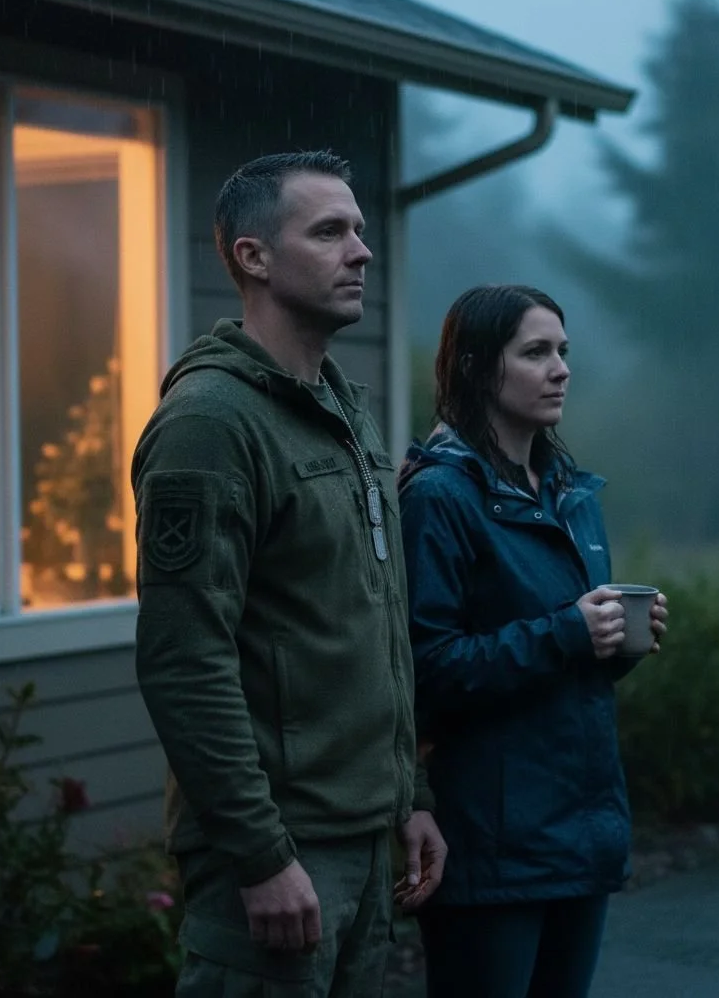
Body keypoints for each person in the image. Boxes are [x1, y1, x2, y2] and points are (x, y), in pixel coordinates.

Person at [131, 150, 446, 997]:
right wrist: (260, 854)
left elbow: (374, 622)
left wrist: (408, 795)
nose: (361, 251)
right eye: (330, 230)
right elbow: (183, 659)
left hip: (365, 839)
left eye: (362, 231)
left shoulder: (345, 409)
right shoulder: (210, 424)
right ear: (253, 256)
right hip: (279, 856)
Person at [396, 284, 669, 998]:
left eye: (564, 352)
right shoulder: (438, 499)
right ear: (481, 368)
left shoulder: (569, 495)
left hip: (581, 835)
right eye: (537, 352)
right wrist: (568, 632)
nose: (561, 369)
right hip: (494, 847)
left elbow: (569, 670)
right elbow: (426, 671)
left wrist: (618, 644)